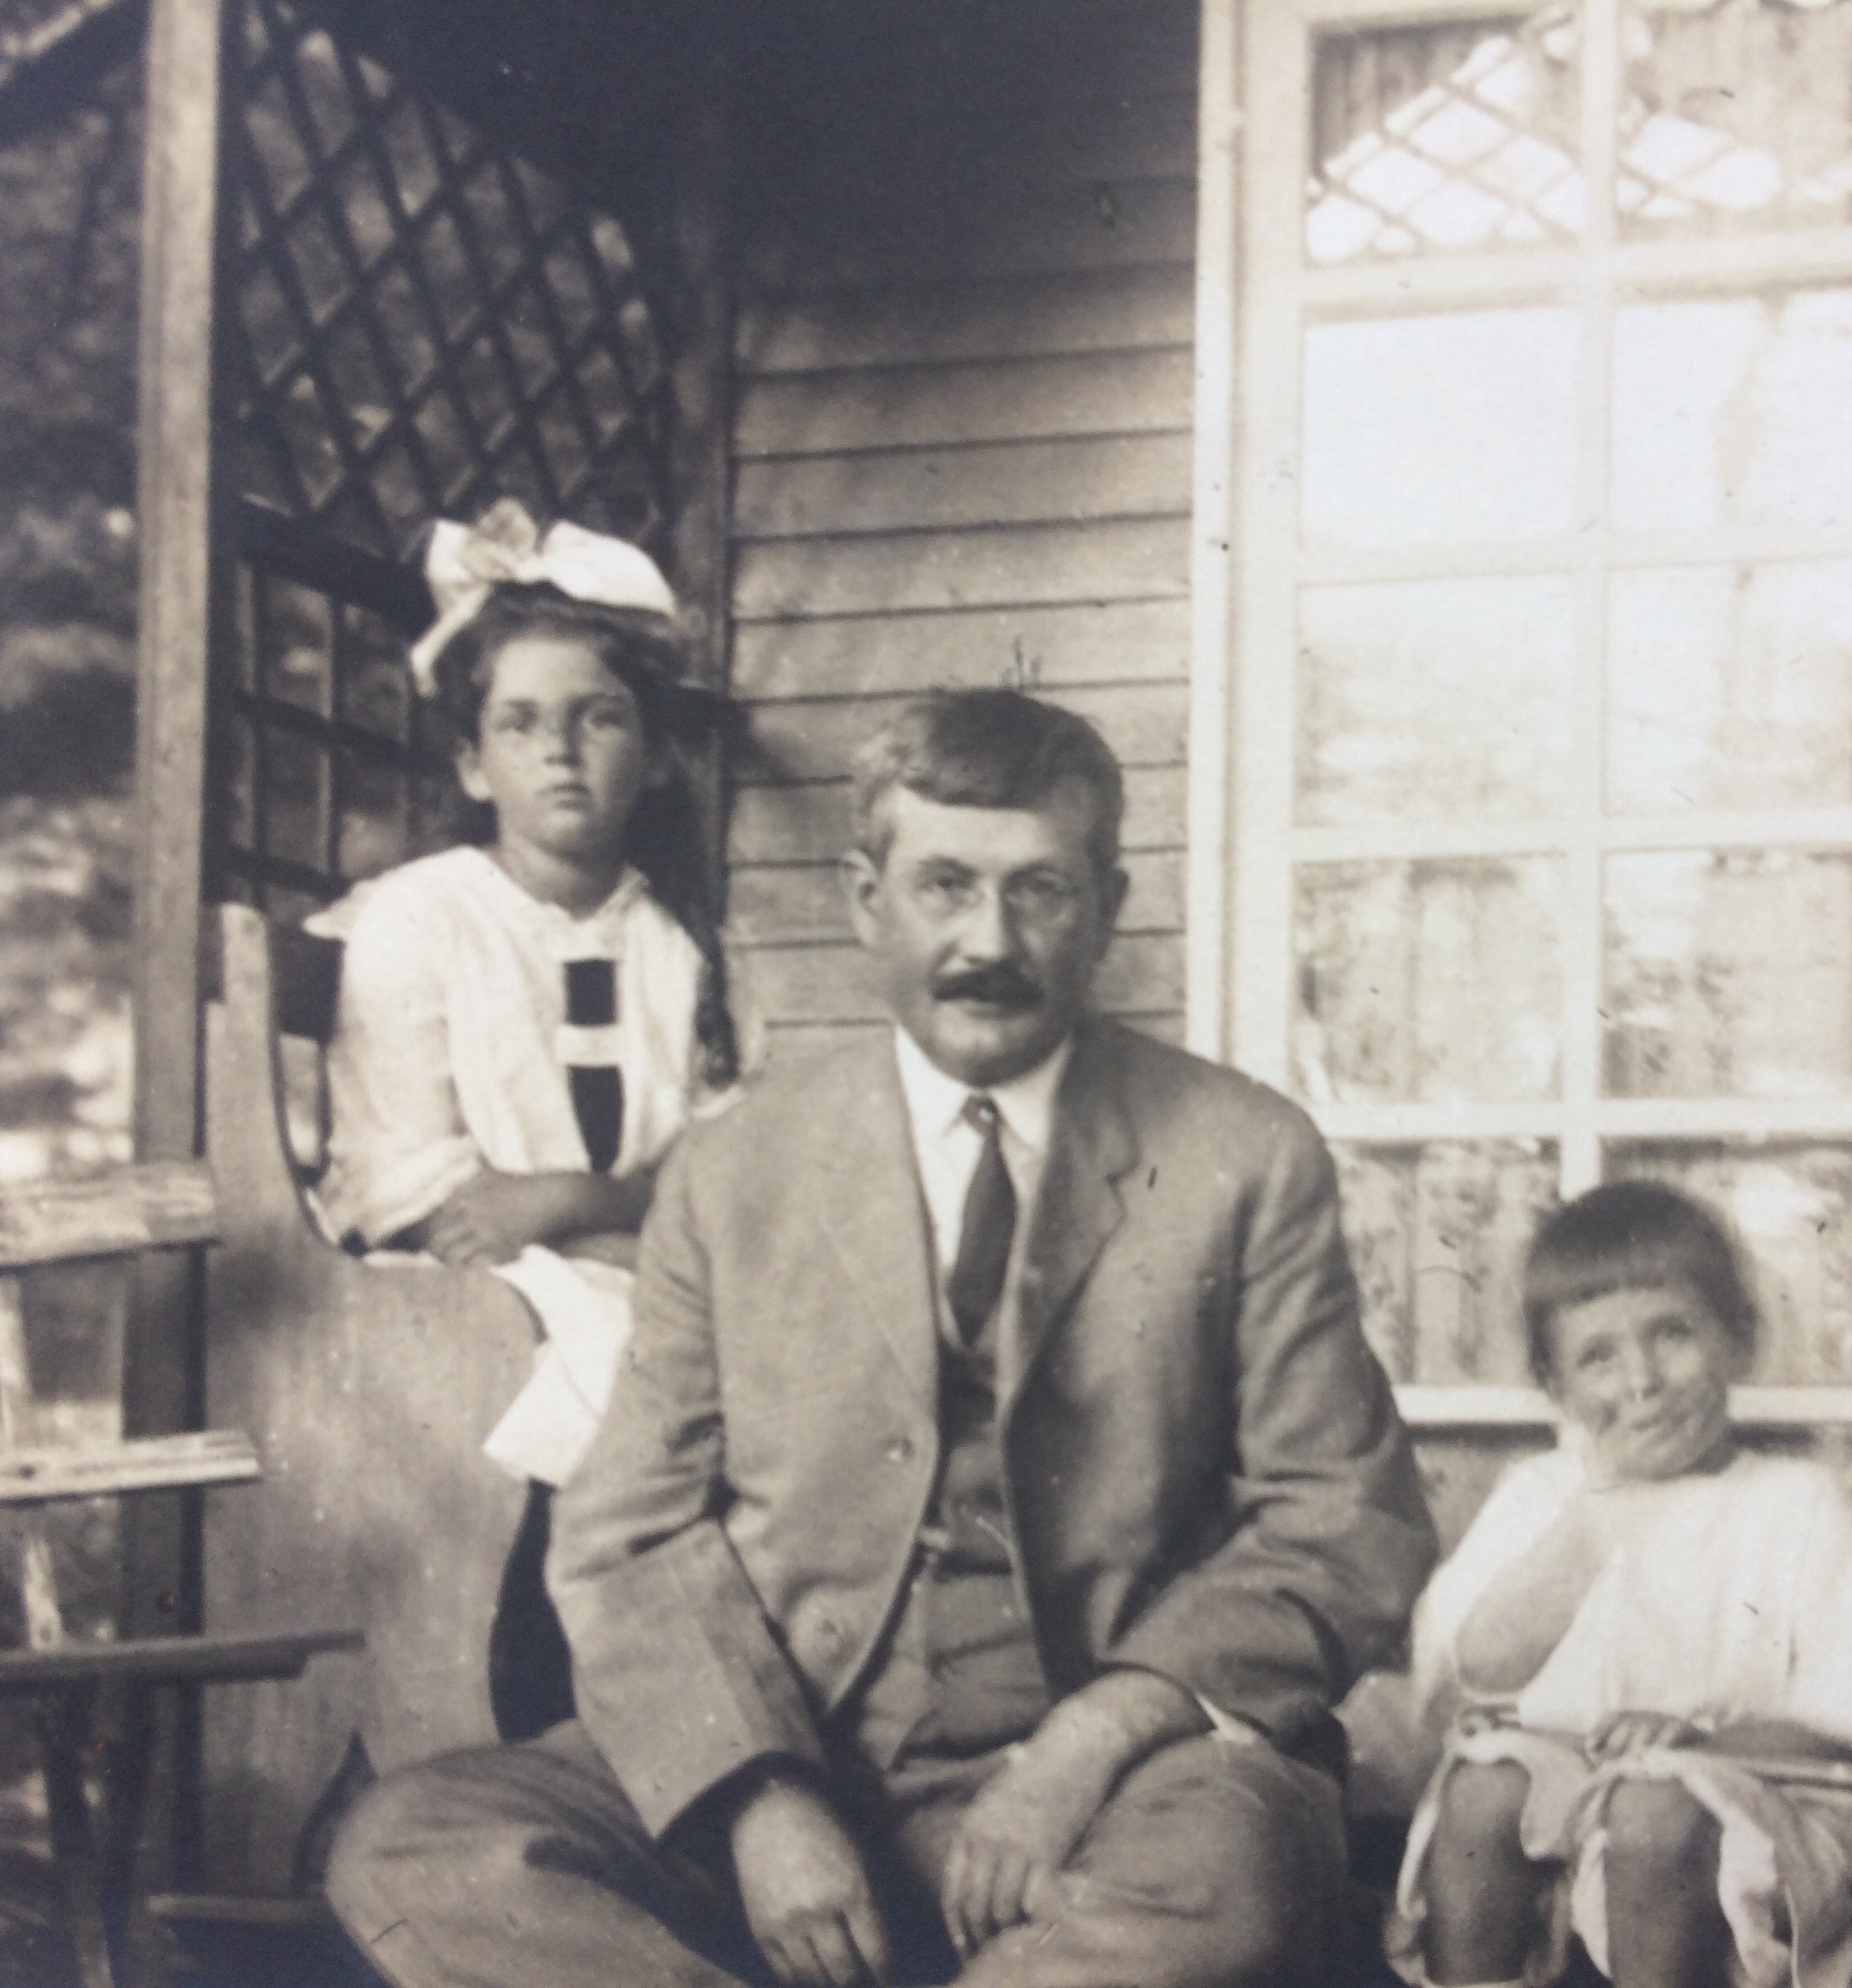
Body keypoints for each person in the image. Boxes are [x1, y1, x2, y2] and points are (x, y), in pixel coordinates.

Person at [322, 687, 1438, 1988]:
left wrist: (1095, 1735)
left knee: (1231, 1873)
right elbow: (628, 1527)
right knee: (413, 1846)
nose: (989, 941)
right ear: (867, 900)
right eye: (945, 886)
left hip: (1123, 1781)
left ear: (1108, 908)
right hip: (798, 1749)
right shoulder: (735, 1172)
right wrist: (757, 1793)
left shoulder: (1241, 1155)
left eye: (1040, 891)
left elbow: (1346, 1519)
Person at [314, 499, 745, 1740]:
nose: (560, 752)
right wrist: (623, 1224)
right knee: (613, 1362)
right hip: (447, 1289)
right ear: (471, 764)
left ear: (651, 753)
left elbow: (728, 1178)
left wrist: (575, 1200)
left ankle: (679, 1725)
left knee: (728, 1357)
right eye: (520, 723)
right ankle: (554, 1713)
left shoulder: (679, 943)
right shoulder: (422, 919)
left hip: (633, 1272)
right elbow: (422, 1194)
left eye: (598, 718)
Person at [1392, 1182, 1852, 1988]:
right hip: (1572, 1796)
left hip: (1758, 1802)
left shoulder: (1799, 1505)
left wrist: (1697, 1743)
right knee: (1482, 1793)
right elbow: (1473, 1670)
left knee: (1653, 1809)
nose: (1641, 1379)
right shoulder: (1546, 1495)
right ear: (1556, 1387)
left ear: (1738, 1340)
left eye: (1673, 1334)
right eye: (1598, 1358)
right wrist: (1595, 1516)